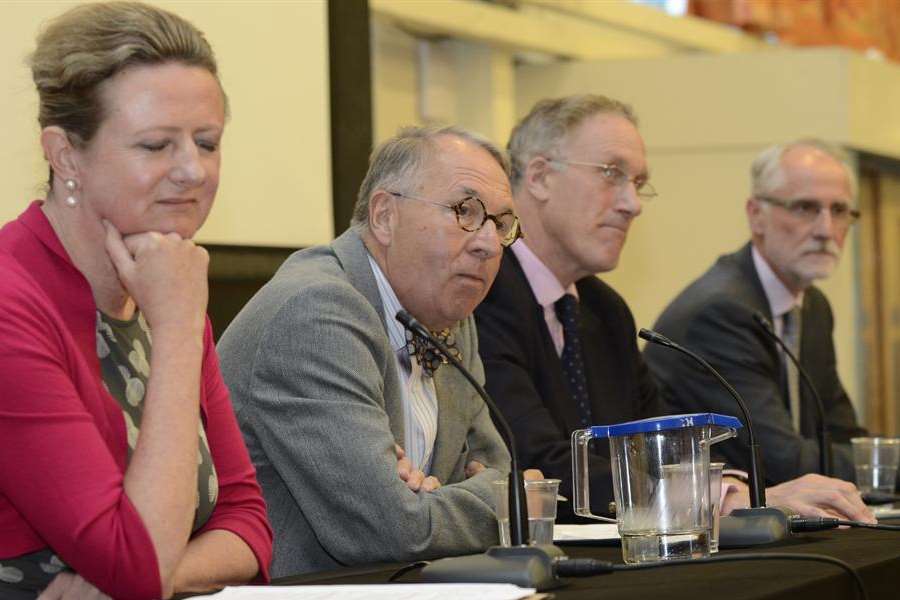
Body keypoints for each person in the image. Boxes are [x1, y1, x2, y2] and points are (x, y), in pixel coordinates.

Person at [475, 95, 873, 524]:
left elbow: (668, 443)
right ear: (539, 177)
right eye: (612, 174)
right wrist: (729, 498)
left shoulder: (604, 310)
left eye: (638, 181)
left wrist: (733, 490)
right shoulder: (484, 294)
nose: (634, 202)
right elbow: (541, 466)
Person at [0, 4, 272, 599]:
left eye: (207, 141)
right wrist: (175, 329)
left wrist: (152, 572)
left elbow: (250, 525)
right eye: (155, 146)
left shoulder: (166, 284)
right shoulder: (9, 304)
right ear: (65, 154)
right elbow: (134, 566)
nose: (193, 171)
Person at [218, 125, 520, 577]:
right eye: (466, 211)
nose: (488, 242)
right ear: (384, 216)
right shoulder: (316, 312)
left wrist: (435, 501)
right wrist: (492, 501)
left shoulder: (454, 317)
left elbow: (495, 467)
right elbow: (392, 528)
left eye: (500, 223)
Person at [644, 140, 867, 486]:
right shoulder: (721, 312)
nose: (826, 230)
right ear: (756, 215)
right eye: (805, 208)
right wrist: (874, 465)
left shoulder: (813, 305)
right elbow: (779, 461)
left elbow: (843, 434)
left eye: (839, 210)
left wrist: (875, 460)